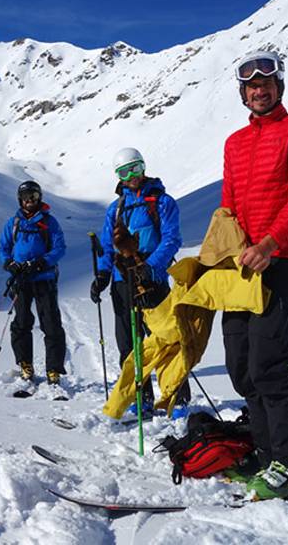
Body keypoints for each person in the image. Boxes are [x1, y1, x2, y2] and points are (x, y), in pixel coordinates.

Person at [220, 50, 288, 500]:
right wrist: (228, 250)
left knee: (269, 363)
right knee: (241, 364)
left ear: (279, 87)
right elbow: (228, 206)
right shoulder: (234, 143)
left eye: (266, 83)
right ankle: (268, 458)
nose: (259, 90)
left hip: (282, 260)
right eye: (250, 85)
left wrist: (269, 244)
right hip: (241, 265)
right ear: (242, 93)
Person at [89, 148, 189, 418]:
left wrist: (151, 266)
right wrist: (102, 275)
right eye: (124, 172)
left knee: (166, 339)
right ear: (118, 177)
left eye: (135, 168)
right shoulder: (115, 208)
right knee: (129, 343)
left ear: (144, 167)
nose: (131, 176)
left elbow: (171, 239)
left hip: (153, 281)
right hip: (123, 282)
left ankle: (176, 398)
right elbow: (109, 246)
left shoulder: (162, 202)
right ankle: (140, 397)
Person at [0, 180, 68, 385]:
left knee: (51, 323)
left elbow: (59, 248)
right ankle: (25, 364)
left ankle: (54, 369)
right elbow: (4, 248)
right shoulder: (13, 223)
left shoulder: (49, 222)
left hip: (43, 278)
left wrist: (41, 263)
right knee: (21, 322)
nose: (30, 200)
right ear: (20, 199)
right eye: (27, 197)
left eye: (34, 196)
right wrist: (9, 264)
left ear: (40, 198)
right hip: (20, 279)